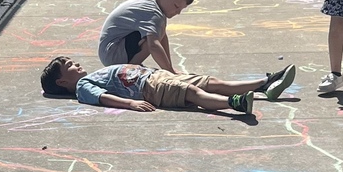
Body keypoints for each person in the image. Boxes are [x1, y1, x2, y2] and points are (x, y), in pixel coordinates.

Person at [40, 56, 296, 116]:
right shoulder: (83, 87)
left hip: (156, 76)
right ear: (63, 82)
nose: (76, 65)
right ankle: (234, 103)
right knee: (193, 94)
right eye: (70, 66)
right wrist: (130, 103)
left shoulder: (88, 76)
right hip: (149, 87)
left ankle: (265, 83)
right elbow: (103, 97)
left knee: (211, 82)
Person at [97, 0, 195, 72]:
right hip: (112, 53)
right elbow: (153, 46)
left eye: (181, 9)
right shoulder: (153, 13)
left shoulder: (154, 4)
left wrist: (169, 67)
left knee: (156, 33)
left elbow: (162, 37)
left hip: (111, 49)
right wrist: (169, 72)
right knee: (150, 40)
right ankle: (129, 71)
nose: (178, 12)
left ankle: (133, 66)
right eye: (176, 6)